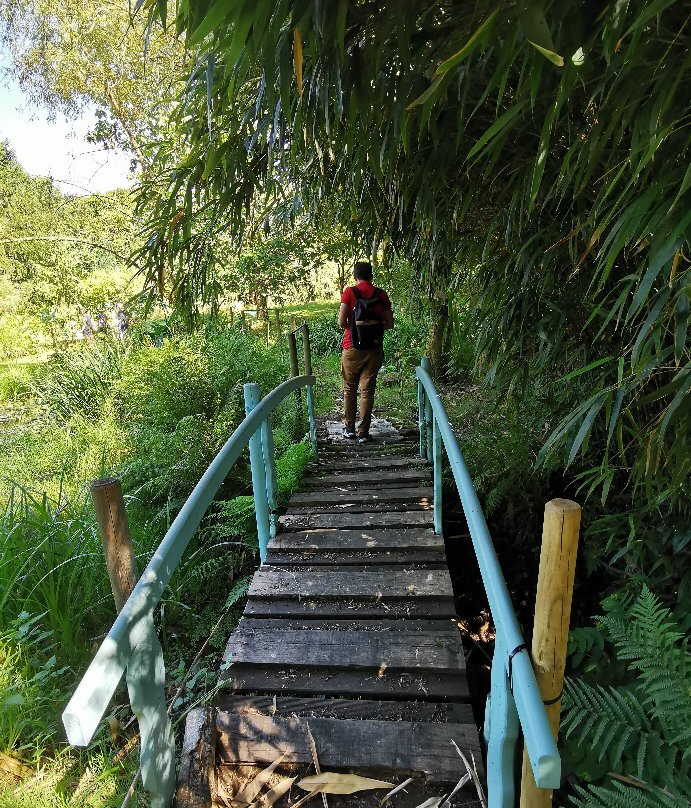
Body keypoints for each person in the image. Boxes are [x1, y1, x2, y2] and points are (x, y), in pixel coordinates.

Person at [337, 261, 394, 442]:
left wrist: (355, 330)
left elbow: (341, 322)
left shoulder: (349, 292)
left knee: (349, 388)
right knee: (367, 390)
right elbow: (390, 324)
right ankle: (364, 432)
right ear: (371, 276)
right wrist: (372, 330)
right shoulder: (381, 294)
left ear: (355, 276)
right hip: (374, 348)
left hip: (352, 347)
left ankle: (349, 429)